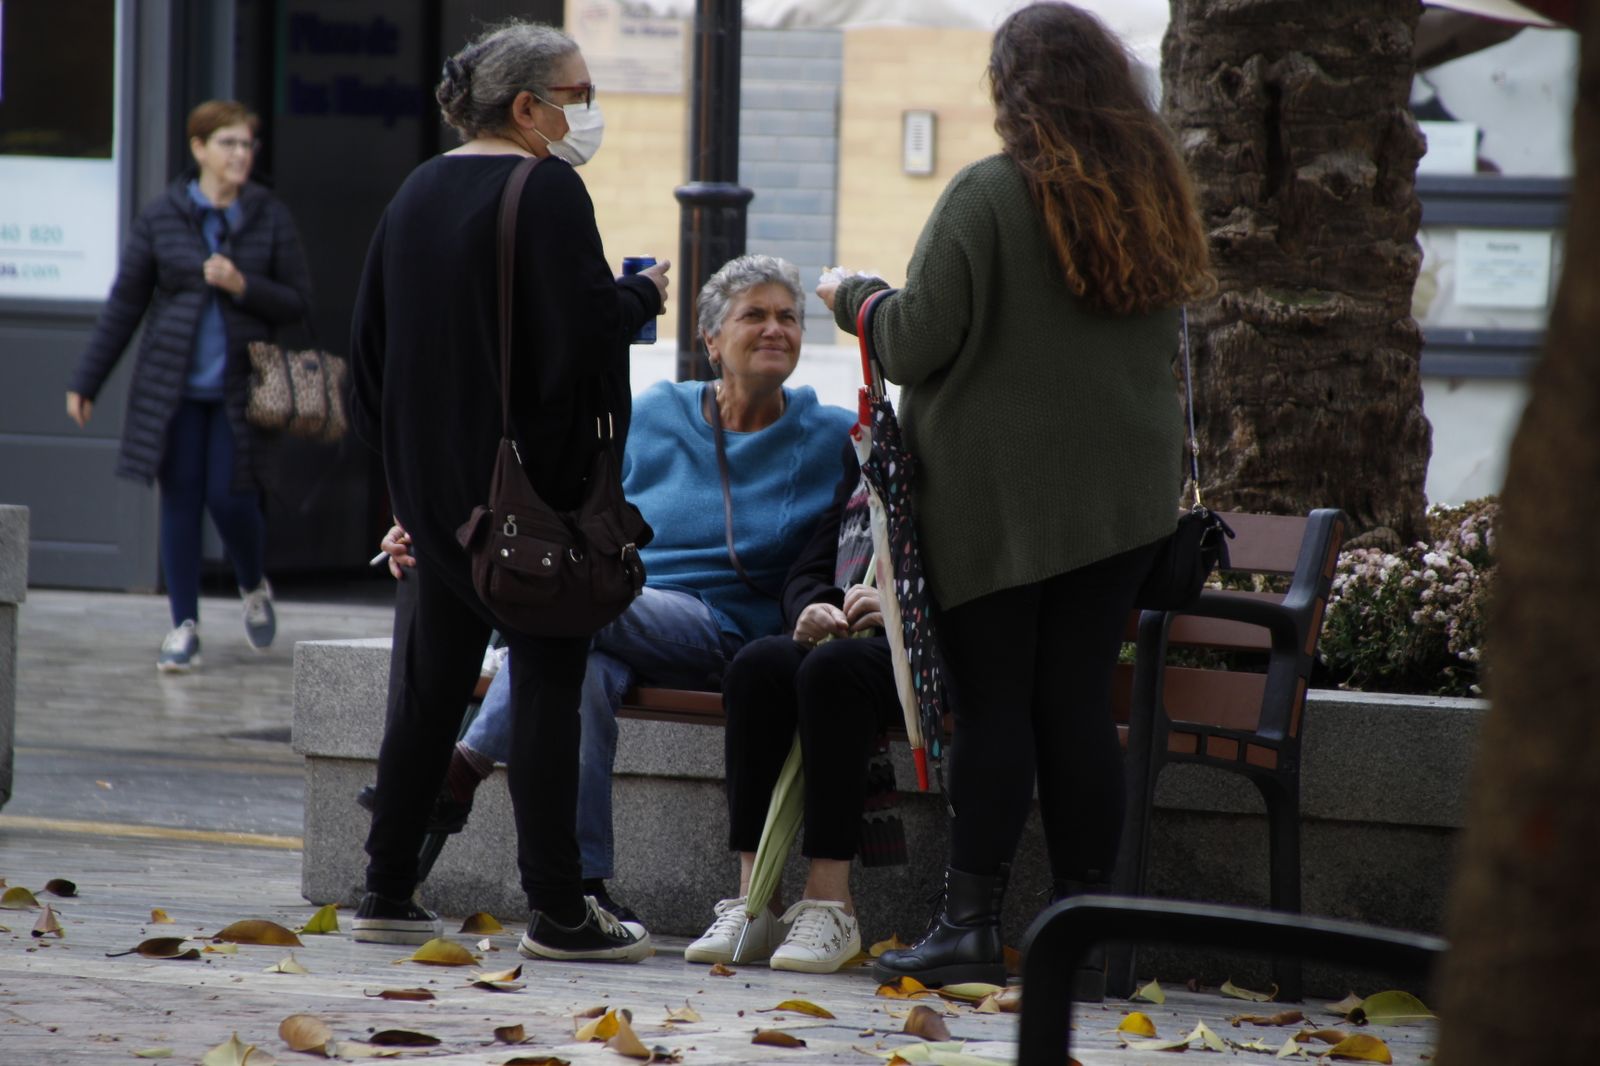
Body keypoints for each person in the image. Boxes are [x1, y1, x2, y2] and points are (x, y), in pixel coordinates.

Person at [818, 1, 1215, 989]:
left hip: (995, 498)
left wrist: (853, 299)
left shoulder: (987, 195)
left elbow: (912, 342)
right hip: (1121, 498)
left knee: (995, 705)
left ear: (1012, 92)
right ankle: (1087, 936)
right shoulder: (1154, 200)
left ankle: (968, 926)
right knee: (1077, 705)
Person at [396, 254, 856, 924]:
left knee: (568, 614)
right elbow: (553, 480)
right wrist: (426, 526)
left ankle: (461, 766)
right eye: (753, 314)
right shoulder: (658, 412)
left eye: (788, 316)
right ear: (710, 339)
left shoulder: (833, 433)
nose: (775, 329)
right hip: (617, 608)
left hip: (731, 630)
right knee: (578, 665)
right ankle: (582, 886)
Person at [347, 20, 670, 962]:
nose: (587, 111)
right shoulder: (549, 187)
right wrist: (641, 297)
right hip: (533, 499)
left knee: (427, 691)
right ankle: (562, 909)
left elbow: (368, 358)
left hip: (435, 492)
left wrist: (405, 483)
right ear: (526, 107)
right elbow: (574, 337)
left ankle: (386, 886)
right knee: (549, 685)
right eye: (577, 94)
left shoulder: (415, 190)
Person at [66, 100, 311, 672]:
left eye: (247, 144)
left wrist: (242, 283)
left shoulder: (268, 215)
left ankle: (252, 583)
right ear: (199, 148)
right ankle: (183, 626)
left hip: (240, 389)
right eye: (228, 143)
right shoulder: (162, 216)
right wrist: (87, 379)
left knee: (232, 499)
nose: (240, 155)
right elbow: (126, 302)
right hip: (171, 389)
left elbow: (299, 302)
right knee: (179, 500)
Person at [683, 447, 902, 973]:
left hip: (922, 649)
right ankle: (755, 902)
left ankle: (832, 906)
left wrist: (899, 608)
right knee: (757, 665)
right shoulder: (872, 453)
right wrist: (813, 606)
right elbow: (813, 559)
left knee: (834, 672)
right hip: (851, 630)